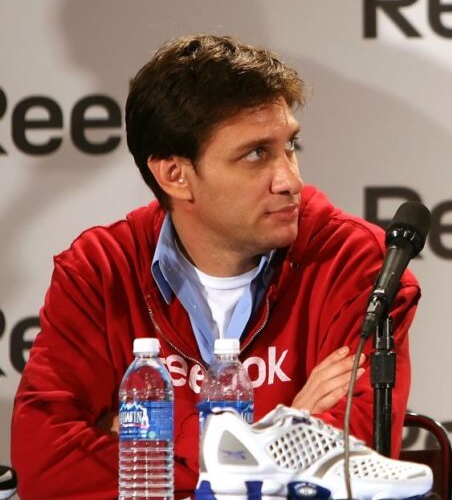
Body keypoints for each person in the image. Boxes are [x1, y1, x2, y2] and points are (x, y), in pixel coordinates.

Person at [11, 34, 420, 498]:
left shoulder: (357, 264)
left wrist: (139, 446)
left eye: (290, 146)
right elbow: (46, 462)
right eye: (255, 154)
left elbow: (347, 460)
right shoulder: (101, 270)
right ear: (175, 175)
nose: (290, 179)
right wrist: (272, 440)